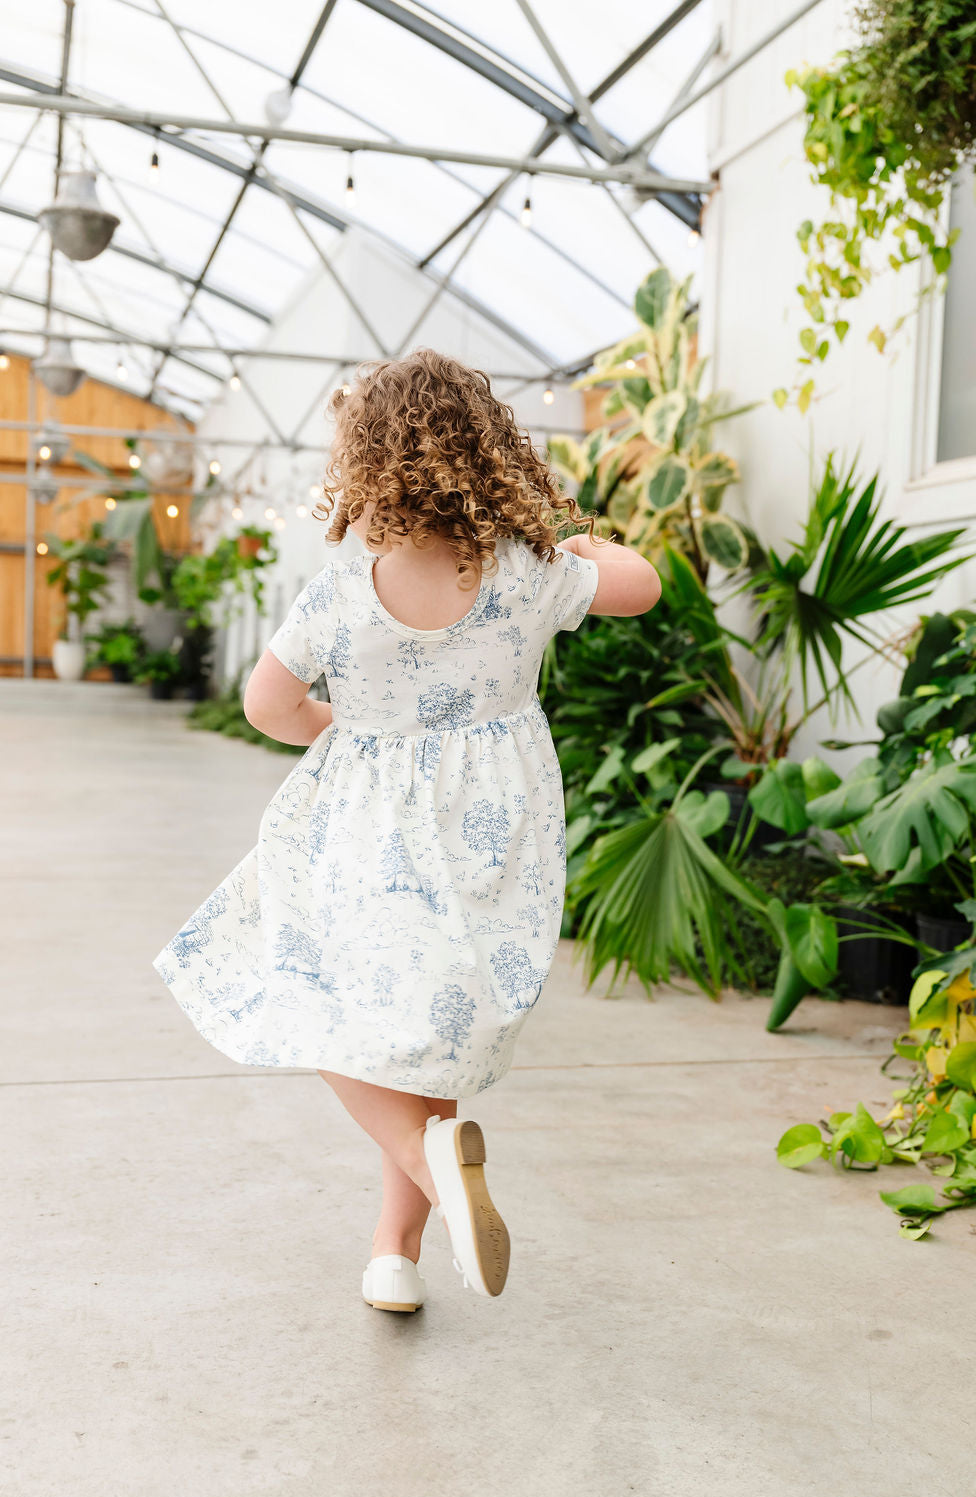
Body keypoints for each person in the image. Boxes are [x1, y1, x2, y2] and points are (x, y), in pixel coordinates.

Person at [153, 349, 661, 1313]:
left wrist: (343, 731)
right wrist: (568, 536)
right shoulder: (530, 573)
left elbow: (268, 704)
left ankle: (427, 1170)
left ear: (365, 462)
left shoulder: (342, 591)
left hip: (365, 829)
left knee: (314, 993)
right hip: (491, 837)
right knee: (427, 1040)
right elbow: (642, 585)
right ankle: (395, 1254)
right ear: (490, 453)